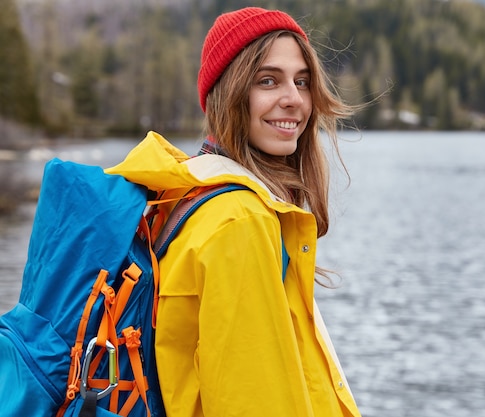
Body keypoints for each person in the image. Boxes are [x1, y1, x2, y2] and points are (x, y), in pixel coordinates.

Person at [108, 6, 361, 416]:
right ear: (228, 94)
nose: (294, 100)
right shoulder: (239, 221)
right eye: (267, 81)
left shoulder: (183, 194)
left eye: (302, 81)